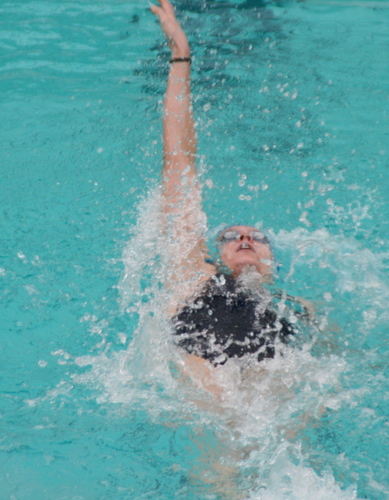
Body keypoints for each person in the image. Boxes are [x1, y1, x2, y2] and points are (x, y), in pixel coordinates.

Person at [150, 0, 308, 397]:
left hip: (273, 400)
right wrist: (181, 57)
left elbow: (348, 359)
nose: (245, 239)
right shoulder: (194, 275)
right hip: (208, 397)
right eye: (232, 236)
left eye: (257, 237)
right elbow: (178, 164)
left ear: (274, 259)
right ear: (215, 253)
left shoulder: (295, 307)